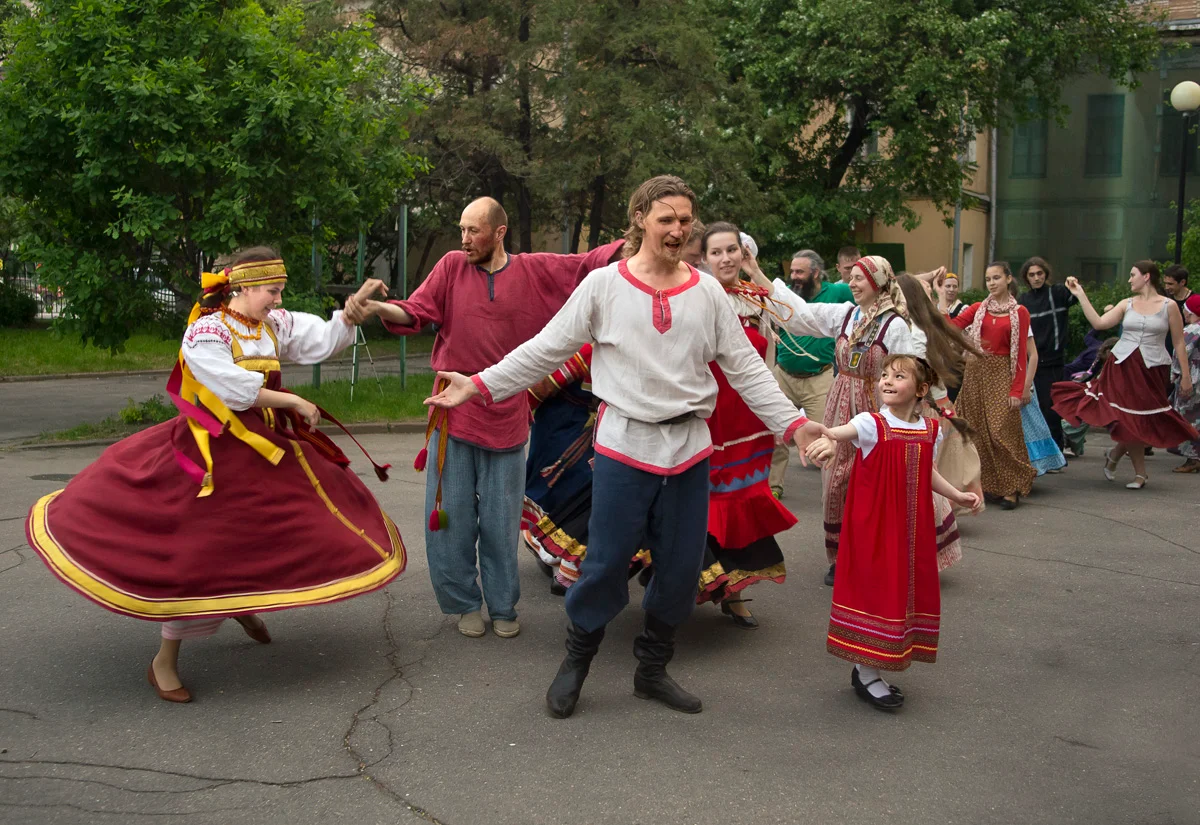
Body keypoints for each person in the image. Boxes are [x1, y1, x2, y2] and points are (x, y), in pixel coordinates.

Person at [421, 175, 828, 719]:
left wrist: (795, 426)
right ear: (640, 220)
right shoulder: (605, 286)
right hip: (623, 447)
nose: (678, 229)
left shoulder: (706, 292)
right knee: (606, 564)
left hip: (688, 449)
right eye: (667, 219)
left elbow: (748, 369)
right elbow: (546, 349)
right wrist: (481, 383)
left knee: (682, 569)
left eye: (685, 220)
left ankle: (652, 671)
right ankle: (577, 662)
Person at [24, 249, 407, 703]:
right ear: (243, 287)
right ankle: (164, 660)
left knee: (283, 527)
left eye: (280, 290)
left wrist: (350, 313)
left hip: (263, 449)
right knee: (200, 550)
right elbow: (229, 387)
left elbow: (320, 338)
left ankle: (241, 603)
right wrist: (292, 403)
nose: (278, 298)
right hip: (215, 451)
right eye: (272, 290)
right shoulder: (206, 330)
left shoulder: (273, 325)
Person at [351, 198, 623, 640]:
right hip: (451, 414)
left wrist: (634, 243)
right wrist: (380, 310)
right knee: (452, 517)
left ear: (499, 232)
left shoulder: (534, 270)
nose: (464, 239)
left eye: (473, 230)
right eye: (461, 229)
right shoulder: (450, 267)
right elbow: (416, 312)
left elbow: (587, 265)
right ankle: (462, 602)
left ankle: (501, 604)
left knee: (499, 520)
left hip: (507, 412)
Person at [805, 354, 981, 710]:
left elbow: (927, 472)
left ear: (921, 389)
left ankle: (869, 669)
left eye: (898, 376)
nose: (886, 380)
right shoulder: (871, 423)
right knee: (876, 592)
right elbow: (844, 432)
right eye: (884, 374)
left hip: (910, 529)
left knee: (899, 593)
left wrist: (956, 493)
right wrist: (828, 438)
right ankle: (866, 672)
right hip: (874, 529)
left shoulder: (930, 429)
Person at [756, 255, 915, 586]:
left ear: (878, 282)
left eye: (860, 279)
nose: (853, 284)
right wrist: (755, 272)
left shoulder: (895, 326)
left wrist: (897, 417)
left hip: (878, 410)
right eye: (852, 278)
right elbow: (799, 315)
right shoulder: (846, 315)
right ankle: (839, 556)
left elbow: (908, 375)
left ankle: (874, 557)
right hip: (841, 403)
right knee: (835, 482)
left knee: (872, 484)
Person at [694, 222, 798, 628]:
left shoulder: (758, 300)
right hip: (707, 418)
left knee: (741, 504)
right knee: (702, 504)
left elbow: (772, 354)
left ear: (743, 254)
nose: (724, 259)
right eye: (716, 252)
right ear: (704, 258)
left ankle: (734, 591)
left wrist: (777, 419)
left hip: (748, 422)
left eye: (731, 251)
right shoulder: (696, 298)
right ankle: (694, 581)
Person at [1053, 262, 1198, 489]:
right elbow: (1099, 322)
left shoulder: (1169, 306)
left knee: (1140, 420)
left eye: (1133, 275)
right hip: (1121, 366)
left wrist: (1186, 375)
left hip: (1151, 369)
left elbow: (1179, 342)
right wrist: (1080, 294)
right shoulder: (1126, 304)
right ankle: (1140, 474)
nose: (1129, 280)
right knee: (1128, 419)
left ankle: (1115, 455)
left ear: (1146, 277)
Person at [897, 271, 984, 568]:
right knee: (934, 477)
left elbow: (913, 377)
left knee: (924, 483)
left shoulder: (912, 333)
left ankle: (922, 552)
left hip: (925, 410)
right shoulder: (923, 326)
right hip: (936, 406)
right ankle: (925, 549)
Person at [944, 262, 1036, 509]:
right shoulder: (978, 308)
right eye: (988, 279)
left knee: (1001, 432)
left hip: (1001, 375)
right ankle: (989, 486)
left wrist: (1018, 389)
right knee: (974, 431)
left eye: (996, 278)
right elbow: (950, 328)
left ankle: (1011, 487)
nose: (992, 283)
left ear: (1008, 279)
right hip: (975, 374)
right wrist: (940, 300)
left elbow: (1020, 356)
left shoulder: (1020, 313)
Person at [767, 250, 853, 499]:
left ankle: (838, 491)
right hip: (783, 375)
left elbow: (870, 294)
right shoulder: (786, 295)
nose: (794, 276)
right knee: (776, 433)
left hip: (819, 379)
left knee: (830, 437)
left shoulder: (838, 293)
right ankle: (774, 485)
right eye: (792, 271)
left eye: (799, 272)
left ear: (815, 273)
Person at [521, 346, 599, 595]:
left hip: (601, 421)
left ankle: (570, 561)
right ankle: (558, 559)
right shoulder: (582, 343)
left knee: (589, 486)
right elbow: (540, 385)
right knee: (558, 485)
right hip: (559, 418)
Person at [1018, 257, 1076, 451]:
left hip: (1053, 361)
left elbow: (1076, 297)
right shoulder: (1023, 301)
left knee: (1051, 408)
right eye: (1032, 275)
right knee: (1034, 410)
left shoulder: (1057, 293)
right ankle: (1040, 452)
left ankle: (1057, 449)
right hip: (1030, 362)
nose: (1036, 278)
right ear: (1026, 278)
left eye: (1039, 273)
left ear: (1046, 274)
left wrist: (1074, 284)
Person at [1021, 335, 1067, 475]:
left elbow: (1033, 354)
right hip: (993, 377)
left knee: (1030, 423)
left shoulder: (1019, 315)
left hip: (1020, 376)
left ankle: (1032, 467)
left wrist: (1027, 386)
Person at [1171, 293, 1200, 473]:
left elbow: (1181, 353)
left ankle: (1193, 458)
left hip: (1193, 379)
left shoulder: (1191, 331)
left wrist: (1176, 376)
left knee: (1189, 418)